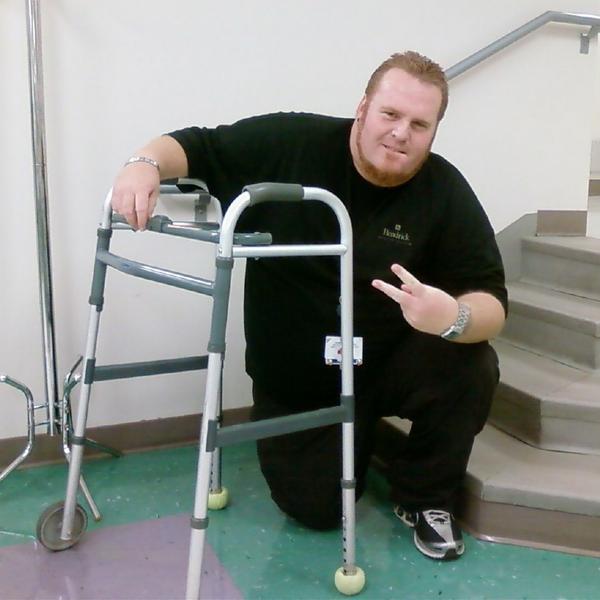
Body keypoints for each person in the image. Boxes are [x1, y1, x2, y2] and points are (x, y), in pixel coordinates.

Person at [111, 51, 507, 561]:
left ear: (434, 131)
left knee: (472, 362)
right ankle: (351, 438)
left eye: (419, 124)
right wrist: (142, 164)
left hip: (388, 363)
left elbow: (491, 301)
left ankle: (425, 496)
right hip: (299, 382)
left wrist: (453, 316)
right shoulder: (292, 143)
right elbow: (197, 145)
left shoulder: (443, 189)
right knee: (316, 510)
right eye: (390, 114)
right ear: (363, 108)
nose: (400, 134)